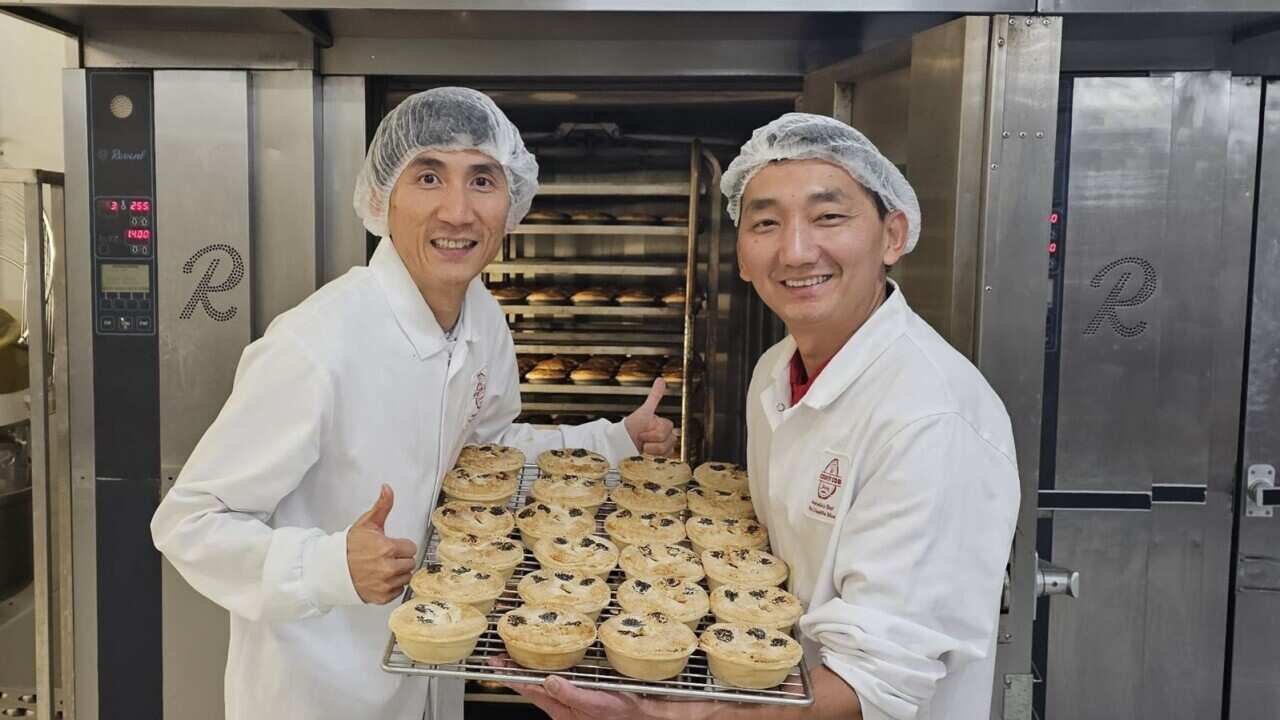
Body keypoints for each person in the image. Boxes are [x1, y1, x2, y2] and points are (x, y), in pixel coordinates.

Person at [150, 87, 674, 720]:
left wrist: (612, 440)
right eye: (429, 177)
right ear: (383, 199)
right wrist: (329, 566)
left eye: (482, 180)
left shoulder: (482, 319)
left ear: (511, 202)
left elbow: (485, 457)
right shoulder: (315, 347)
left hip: (426, 672)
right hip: (320, 693)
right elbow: (190, 522)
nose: (458, 211)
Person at [507, 114, 1019, 719]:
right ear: (743, 259)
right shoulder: (776, 371)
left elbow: (870, 686)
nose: (796, 251)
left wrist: (667, 717)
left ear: (893, 234)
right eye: (766, 223)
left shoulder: (933, 419)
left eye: (828, 216)